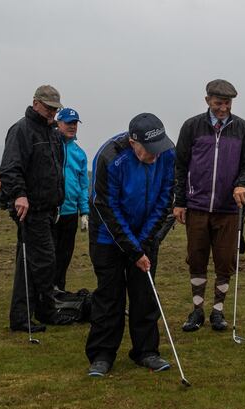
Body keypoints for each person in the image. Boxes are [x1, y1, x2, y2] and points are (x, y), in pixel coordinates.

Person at [85, 113, 176, 377]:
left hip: (145, 233)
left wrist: (144, 244)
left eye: (159, 149)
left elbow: (164, 198)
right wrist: (132, 249)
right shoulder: (110, 157)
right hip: (108, 235)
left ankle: (146, 351)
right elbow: (107, 207)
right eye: (149, 150)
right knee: (109, 296)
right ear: (133, 142)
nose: (155, 156)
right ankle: (102, 355)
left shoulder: (168, 154)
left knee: (144, 294)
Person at [173, 79, 245, 332]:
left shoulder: (243, 128)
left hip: (228, 209)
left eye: (228, 103)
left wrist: (242, 183)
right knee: (197, 259)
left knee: (224, 262)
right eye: (218, 103)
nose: (223, 108)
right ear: (208, 100)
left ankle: (218, 312)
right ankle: (197, 310)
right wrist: (179, 201)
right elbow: (180, 165)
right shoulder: (191, 127)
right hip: (196, 205)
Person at [0, 85, 65, 333]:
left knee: (29, 262)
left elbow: (56, 168)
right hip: (31, 208)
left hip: (49, 208)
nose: (52, 113)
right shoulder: (21, 130)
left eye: (55, 109)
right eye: (48, 108)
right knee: (44, 261)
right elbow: (10, 167)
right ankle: (43, 312)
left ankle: (24, 316)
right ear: (36, 103)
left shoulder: (53, 132)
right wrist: (19, 194)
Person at [53, 107, 89, 292]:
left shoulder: (79, 153)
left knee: (64, 255)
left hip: (69, 212)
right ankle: (43, 293)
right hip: (51, 212)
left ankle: (59, 290)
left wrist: (84, 211)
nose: (72, 126)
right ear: (58, 123)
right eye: (68, 122)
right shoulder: (51, 145)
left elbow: (83, 185)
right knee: (47, 256)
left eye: (75, 123)